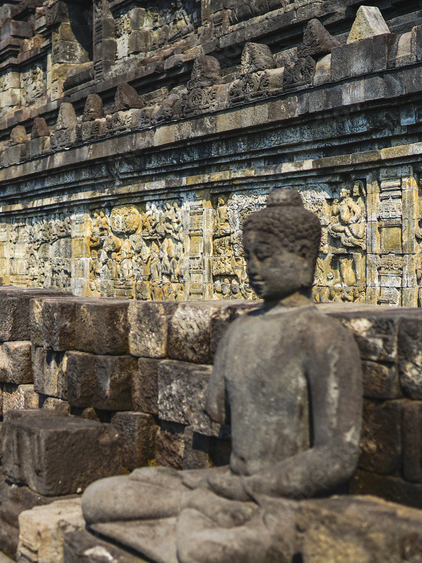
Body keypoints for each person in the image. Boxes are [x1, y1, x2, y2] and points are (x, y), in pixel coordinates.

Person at [81, 189, 363, 563]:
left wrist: (252, 486)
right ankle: (195, 516)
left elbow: (337, 455)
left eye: (263, 257)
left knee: (202, 551)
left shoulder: (324, 338)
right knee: (97, 498)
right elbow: (217, 409)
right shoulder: (239, 331)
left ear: (304, 256)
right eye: (247, 257)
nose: (251, 269)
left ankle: (193, 524)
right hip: (225, 486)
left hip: (287, 501)